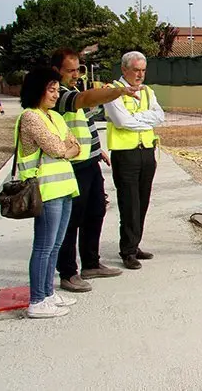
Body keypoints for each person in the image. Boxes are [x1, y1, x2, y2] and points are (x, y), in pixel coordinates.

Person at [51, 48, 143, 292]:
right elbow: (84, 102)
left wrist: (96, 149)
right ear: (56, 71)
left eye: (78, 69)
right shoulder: (58, 94)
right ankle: (68, 272)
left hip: (90, 161)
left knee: (96, 212)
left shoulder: (73, 89)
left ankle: (91, 263)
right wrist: (119, 91)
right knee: (72, 220)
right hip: (73, 167)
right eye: (70, 70)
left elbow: (83, 123)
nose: (75, 74)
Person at [16, 68, 81, 318]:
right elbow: (57, 148)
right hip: (46, 190)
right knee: (43, 246)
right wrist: (65, 148)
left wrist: (66, 148)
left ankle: (48, 293)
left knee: (55, 245)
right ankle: (36, 300)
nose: (55, 94)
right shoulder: (31, 117)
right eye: (51, 89)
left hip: (64, 188)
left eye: (57, 90)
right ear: (38, 90)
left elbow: (76, 146)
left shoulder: (55, 117)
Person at [103, 51, 165, 270]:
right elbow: (121, 122)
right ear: (124, 70)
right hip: (126, 153)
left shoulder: (148, 91)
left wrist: (136, 120)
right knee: (129, 204)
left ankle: (135, 243)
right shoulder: (112, 92)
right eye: (136, 70)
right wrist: (144, 120)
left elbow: (160, 116)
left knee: (143, 201)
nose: (140, 75)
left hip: (146, 151)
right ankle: (127, 250)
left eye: (143, 70)